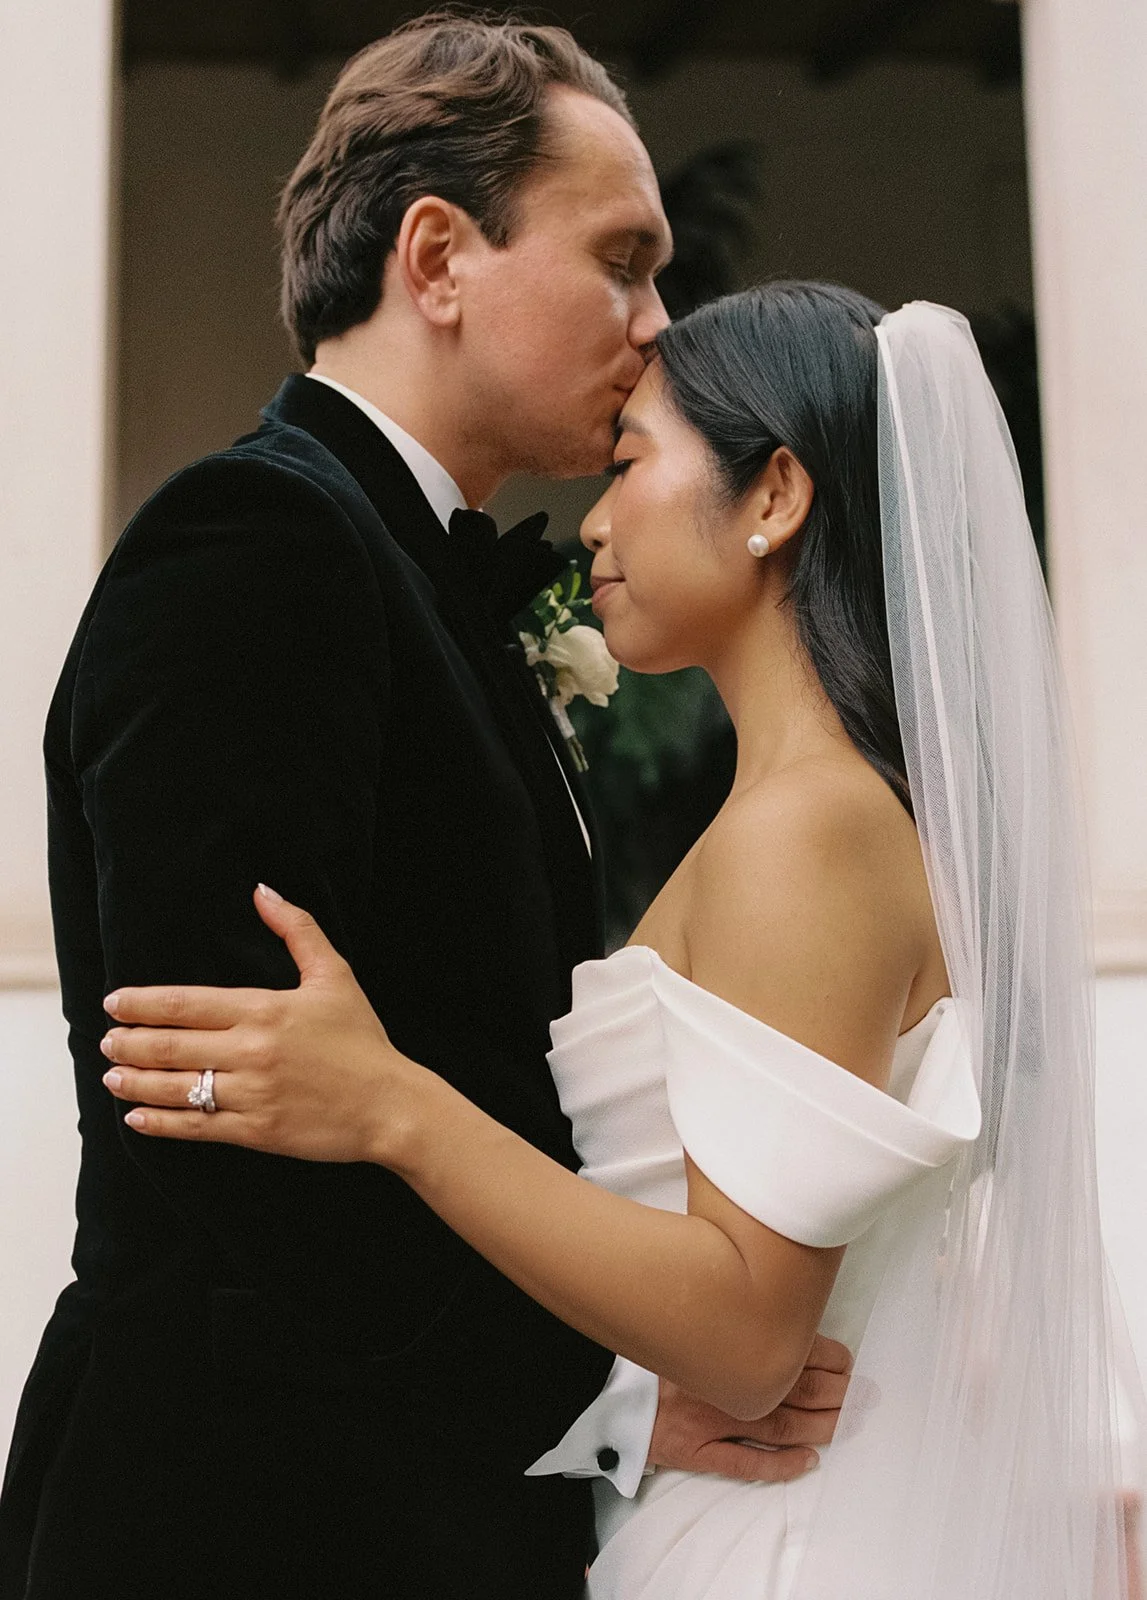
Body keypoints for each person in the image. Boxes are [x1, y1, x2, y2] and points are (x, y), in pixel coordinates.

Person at [102, 283, 1133, 1599]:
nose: (591, 519)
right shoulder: (813, 814)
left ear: (772, 499)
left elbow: (754, 1333)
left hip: (776, 1546)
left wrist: (389, 1105)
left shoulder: (804, 831)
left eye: (634, 461)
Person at [0, 20, 848, 1600]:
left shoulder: (403, 565)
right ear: (441, 256)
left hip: (411, 1503)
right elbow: (223, 1119)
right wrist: (597, 1399)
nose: (654, 326)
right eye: (620, 263)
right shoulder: (257, 544)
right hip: (248, 1519)